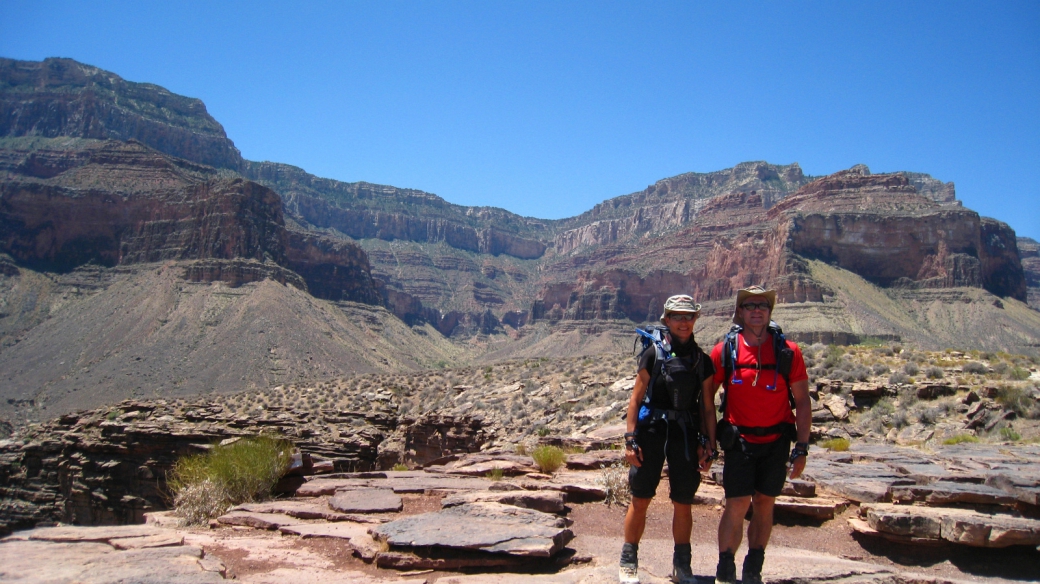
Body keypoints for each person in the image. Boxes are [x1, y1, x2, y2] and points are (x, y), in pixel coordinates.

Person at [702, 286, 811, 584]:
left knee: (765, 502)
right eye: (749, 305)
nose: (756, 310)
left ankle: (753, 569)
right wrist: (708, 441)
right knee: (736, 503)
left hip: (776, 441)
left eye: (762, 305)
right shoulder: (724, 350)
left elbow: (802, 401)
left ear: (770, 311)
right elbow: (706, 398)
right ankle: (725, 570)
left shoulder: (788, 351)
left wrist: (802, 447)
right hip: (739, 440)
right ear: (740, 312)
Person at [619, 294, 715, 584]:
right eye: (677, 316)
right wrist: (629, 438)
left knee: (683, 501)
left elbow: (708, 406)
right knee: (641, 497)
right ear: (667, 320)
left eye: (689, 316)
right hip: (651, 433)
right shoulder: (653, 354)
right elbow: (635, 400)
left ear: (695, 319)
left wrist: (710, 443)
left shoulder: (702, 361)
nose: (683, 322)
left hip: (685, 435)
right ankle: (628, 561)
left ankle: (682, 566)